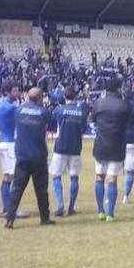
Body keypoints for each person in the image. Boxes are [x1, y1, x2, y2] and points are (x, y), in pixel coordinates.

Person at [4, 87, 57, 229]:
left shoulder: (19, 110)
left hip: (22, 154)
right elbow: (52, 125)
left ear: (27, 97)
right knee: (41, 189)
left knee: (17, 188)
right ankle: (44, 217)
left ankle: (10, 218)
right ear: (41, 98)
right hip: (38, 155)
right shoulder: (44, 112)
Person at [91, 77, 132, 222]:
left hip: (100, 144)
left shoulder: (98, 103)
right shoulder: (124, 104)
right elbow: (128, 121)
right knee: (112, 179)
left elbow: (93, 119)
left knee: (99, 176)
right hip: (116, 145)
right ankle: (110, 213)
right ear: (119, 87)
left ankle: (100, 210)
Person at [49, 87, 88, 217]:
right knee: (74, 177)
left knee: (56, 176)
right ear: (76, 97)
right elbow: (84, 128)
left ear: (64, 97)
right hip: (76, 148)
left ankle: (60, 205)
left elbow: (52, 126)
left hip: (60, 147)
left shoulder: (58, 110)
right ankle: (71, 207)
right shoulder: (81, 111)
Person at [0, 82, 29, 219]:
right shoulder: (11, 107)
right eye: (15, 90)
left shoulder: (1, 105)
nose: (18, 93)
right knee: (14, 177)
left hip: (3, 142)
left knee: (7, 177)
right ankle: (10, 209)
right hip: (9, 145)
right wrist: (27, 101)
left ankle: (7, 207)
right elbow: (24, 113)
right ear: (8, 92)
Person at [122, 81, 134, 204]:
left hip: (118, 141)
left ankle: (109, 197)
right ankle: (125, 196)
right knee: (130, 171)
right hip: (131, 142)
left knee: (112, 170)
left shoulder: (118, 107)